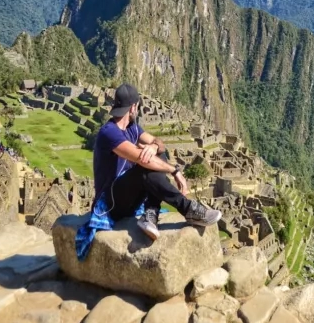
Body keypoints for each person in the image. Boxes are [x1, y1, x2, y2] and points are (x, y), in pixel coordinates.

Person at [93, 83, 221, 240]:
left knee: (159, 156)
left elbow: (159, 144)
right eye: (138, 106)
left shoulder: (132, 127)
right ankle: (188, 208)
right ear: (133, 107)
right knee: (145, 166)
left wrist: (154, 146)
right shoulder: (109, 133)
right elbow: (141, 159)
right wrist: (174, 170)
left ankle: (151, 213)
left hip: (129, 198)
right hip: (111, 203)